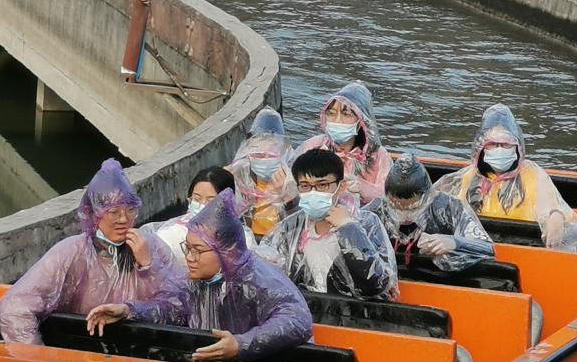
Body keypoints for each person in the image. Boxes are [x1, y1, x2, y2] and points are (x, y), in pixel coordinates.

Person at [90, 190, 313, 362]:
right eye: (187, 248)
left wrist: (241, 344)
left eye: (197, 250)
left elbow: (296, 319)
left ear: (225, 252)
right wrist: (129, 310)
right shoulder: (196, 280)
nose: (189, 257)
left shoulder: (257, 279)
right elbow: (170, 307)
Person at [0, 158, 187, 344]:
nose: (123, 219)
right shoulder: (72, 252)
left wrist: (149, 267)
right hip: (80, 350)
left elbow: (181, 308)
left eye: (130, 210)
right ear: (93, 214)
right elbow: (14, 308)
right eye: (114, 212)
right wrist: (38, 359)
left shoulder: (151, 246)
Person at [440, 104, 577, 253]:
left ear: (517, 147)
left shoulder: (533, 175)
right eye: (492, 144)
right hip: (476, 251)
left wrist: (556, 218)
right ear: (481, 148)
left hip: (527, 250)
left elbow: (555, 209)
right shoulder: (467, 178)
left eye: (506, 144)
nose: (499, 149)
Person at [259, 146, 397, 300]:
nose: (313, 192)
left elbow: (376, 284)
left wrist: (348, 228)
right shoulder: (291, 228)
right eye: (305, 186)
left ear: (341, 186)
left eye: (322, 185)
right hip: (308, 307)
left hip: (354, 311)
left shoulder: (366, 223)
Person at [366, 150, 496, 275]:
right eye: (396, 206)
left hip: (443, 278)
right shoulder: (377, 210)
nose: (405, 213)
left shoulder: (449, 207)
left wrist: (455, 243)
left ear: (427, 197)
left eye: (413, 207)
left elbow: (487, 248)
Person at [295, 81, 391, 205]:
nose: (337, 120)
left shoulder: (378, 156)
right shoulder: (313, 145)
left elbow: (389, 198)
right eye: (331, 113)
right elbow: (292, 181)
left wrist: (361, 188)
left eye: (346, 114)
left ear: (361, 120)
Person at [229, 108, 295, 241]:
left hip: (280, 241)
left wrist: (289, 198)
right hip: (246, 239)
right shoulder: (238, 175)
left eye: (271, 154)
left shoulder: (293, 179)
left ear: (282, 150)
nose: (264, 159)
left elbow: (299, 223)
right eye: (258, 154)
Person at [150, 166, 236, 265]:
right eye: (197, 199)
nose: (203, 206)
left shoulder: (239, 240)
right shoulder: (170, 237)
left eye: (211, 201)